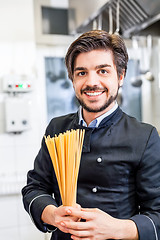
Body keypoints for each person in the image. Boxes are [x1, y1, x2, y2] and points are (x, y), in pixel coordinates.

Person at [22, 30, 160, 240]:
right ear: (73, 79)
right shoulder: (57, 128)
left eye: (103, 71)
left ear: (120, 76)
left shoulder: (145, 136)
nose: (91, 82)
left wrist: (117, 228)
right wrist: (53, 215)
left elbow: (157, 213)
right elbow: (34, 188)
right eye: (81, 73)